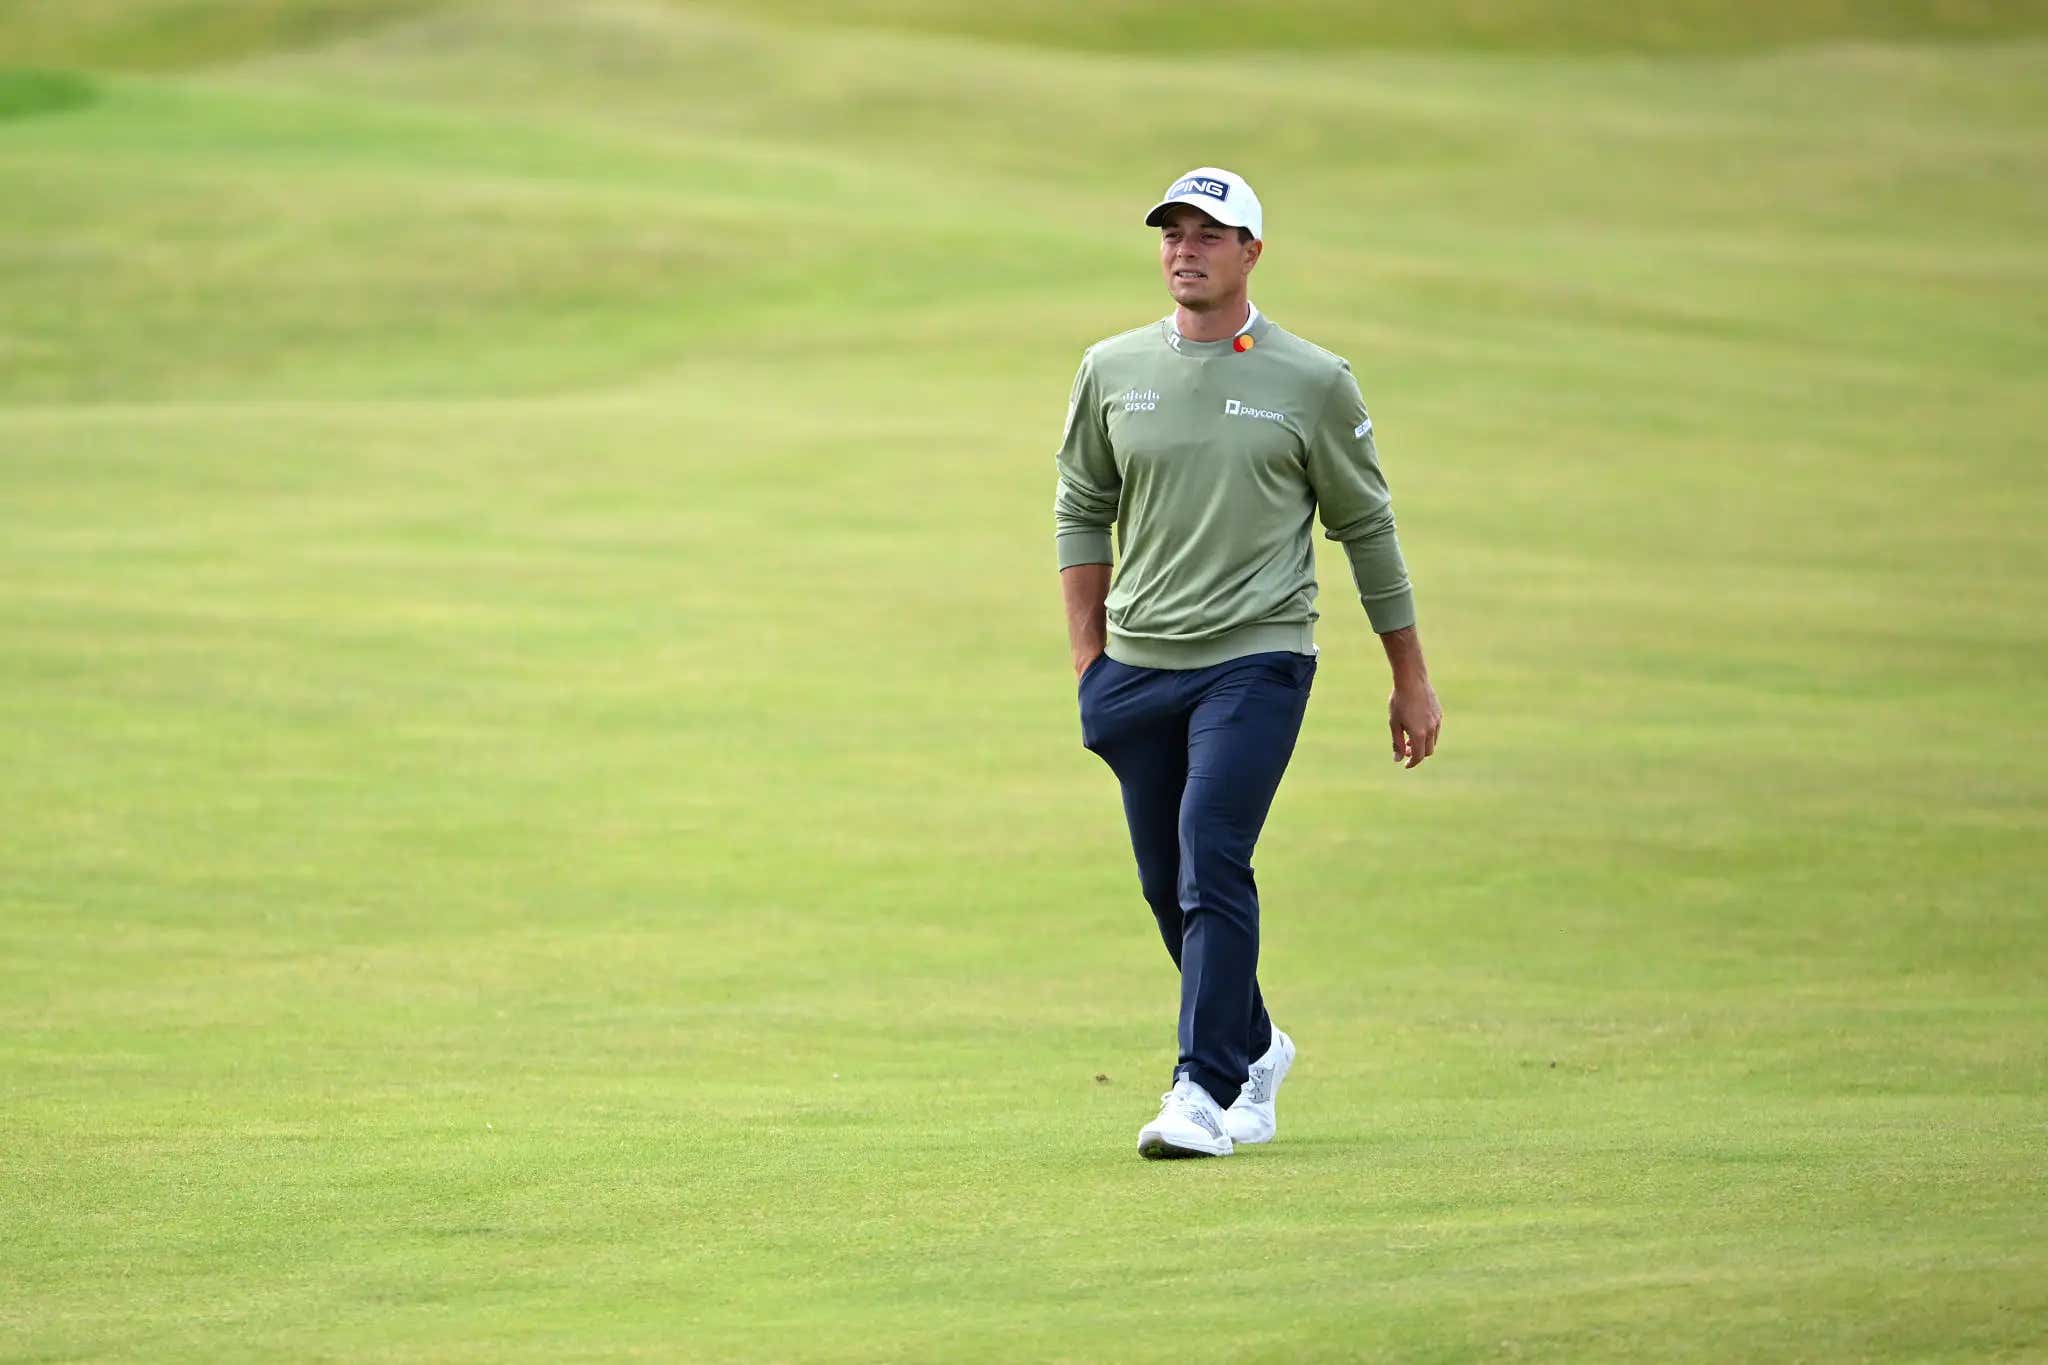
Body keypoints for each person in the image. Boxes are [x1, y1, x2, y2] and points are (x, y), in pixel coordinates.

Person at [1054, 166, 1443, 1160]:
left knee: (1210, 851)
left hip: (1257, 655)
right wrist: (1089, 659)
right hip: (1137, 664)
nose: (1185, 249)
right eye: (1171, 232)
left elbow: (1366, 527)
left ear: (1251, 252)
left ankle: (1201, 1087)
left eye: (1208, 234)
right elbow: (1081, 508)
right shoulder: (1110, 367)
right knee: (1166, 883)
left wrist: (1407, 674)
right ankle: (1256, 1044)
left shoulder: (1311, 379)